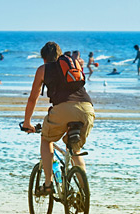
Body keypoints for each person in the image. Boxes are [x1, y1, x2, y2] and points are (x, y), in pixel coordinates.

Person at [22, 41, 95, 195]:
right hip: (87, 109)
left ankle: (48, 184)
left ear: (43, 58)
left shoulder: (43, 69)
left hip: (63, 109)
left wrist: (27, 122)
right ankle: (84, 194)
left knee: (46, 140)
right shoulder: (74, 65)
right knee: (76, 150)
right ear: (60, 56)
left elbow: (32, 99)